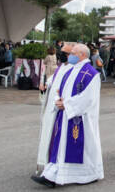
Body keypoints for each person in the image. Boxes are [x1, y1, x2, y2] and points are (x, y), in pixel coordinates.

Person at [32, 44, 103, 188]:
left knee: (84, 149)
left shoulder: (91, 74)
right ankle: (52, 175)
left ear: (82, 55)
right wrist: (58, 100)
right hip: (65, 115)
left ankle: (90, 174)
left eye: (73, 53)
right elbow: (61, 89)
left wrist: (68, 105)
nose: (70, 55)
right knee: (60, 145)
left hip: (81, 118)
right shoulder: (70, 70)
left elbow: (89, 98)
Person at [34, 43, 73, 177]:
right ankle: (47, 163)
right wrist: (45, 85)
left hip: (60, 108)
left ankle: (55, 165)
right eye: (61, 52)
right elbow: (52, 80)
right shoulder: (60, 67)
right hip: (51, 107)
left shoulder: (73, 69)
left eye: (65, 53)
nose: (62, 55)